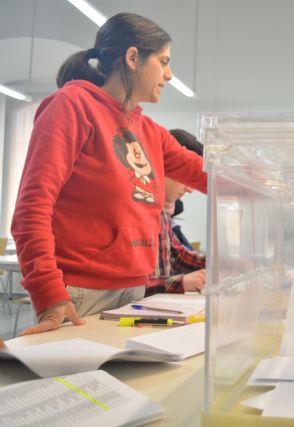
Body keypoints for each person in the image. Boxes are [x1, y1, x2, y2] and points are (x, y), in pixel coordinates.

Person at [11, 13, 207, 335]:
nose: (169, 75)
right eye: (163, 61)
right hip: (79, 293)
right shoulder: (72, 106)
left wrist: (266, 177)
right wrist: (48, 291)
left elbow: (205, 173)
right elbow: (32, 208)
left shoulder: (149, 131)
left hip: (133, 290)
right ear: (133, 58)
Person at [146, 129, 206, 295]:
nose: (189, 189)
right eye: (188, 178)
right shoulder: (137, 210)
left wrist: (223, 263)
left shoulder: (163, 212)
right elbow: (133, 285)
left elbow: (179, 257)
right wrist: (181, 282)